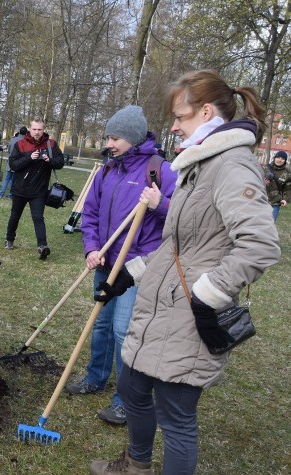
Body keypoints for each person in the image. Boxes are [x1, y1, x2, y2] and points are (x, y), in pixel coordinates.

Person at [89, 70, 280, 475]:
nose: (172, 126)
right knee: (132, 385)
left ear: (207, 114)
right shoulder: (198, 165)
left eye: (180, 116)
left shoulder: (233, 166)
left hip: (189, 316)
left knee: (176, 416)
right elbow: (177, 244)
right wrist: (127, 277)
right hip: (159, 305)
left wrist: (206, 294)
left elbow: (259, 245)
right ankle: (135, 465)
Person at [63, 106, 176, 426]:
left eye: (115, 138)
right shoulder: (107, 170)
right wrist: (92, 248)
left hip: (136, 268)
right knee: (100, 323)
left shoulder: (161, 171)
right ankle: (95, 377)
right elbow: (92, 214)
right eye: (108, 137)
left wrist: (160, 204)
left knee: (124, 330)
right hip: (105, 261)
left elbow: (184, 218)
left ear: (133, 138)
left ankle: (126, 400)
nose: (109, 143)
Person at [5, 118, 65, 259]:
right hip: (20, 188)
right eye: (34, 129)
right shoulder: (21, 144)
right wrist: (29, 158)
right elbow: (13, 164)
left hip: (39, 190)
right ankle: (9, 240)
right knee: (15, 216)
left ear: (43, 130)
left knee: (38, 217)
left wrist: (49, 160)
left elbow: (60, 162)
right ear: (30, 130)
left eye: (39, 129)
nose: (37, 132)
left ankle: (42, 246)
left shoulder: (51, 144)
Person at [0, 126, 27, 198]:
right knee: (14, 180)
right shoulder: (26, 141)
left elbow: (9, 150)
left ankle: (1, 194)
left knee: (7, 179)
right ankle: (11, 195)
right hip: (19, 163)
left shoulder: (13, 139)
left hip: (11, 161)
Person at [263, 149, 289, 221]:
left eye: (282, 158)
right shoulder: (265, 168)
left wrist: (285, 199)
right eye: (278, 157)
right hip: (261, 200)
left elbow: (288, 188)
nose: (280, 160)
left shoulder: (287, 173)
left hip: (275, 203)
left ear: (285, 160)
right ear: (274, 158)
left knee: (270, 224)